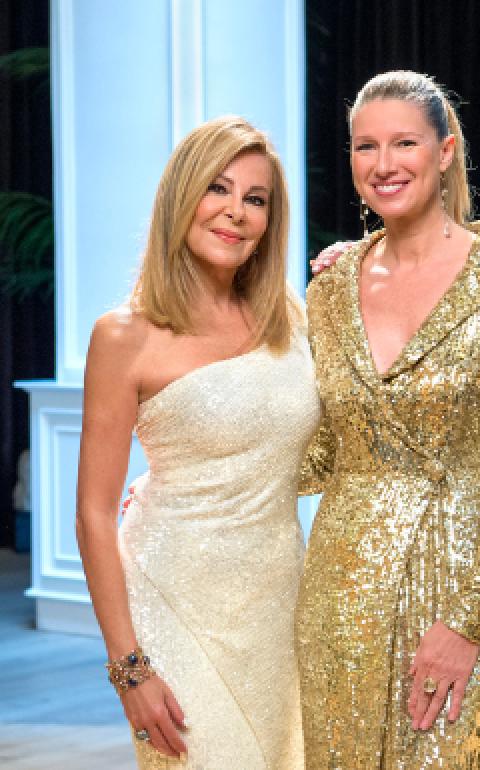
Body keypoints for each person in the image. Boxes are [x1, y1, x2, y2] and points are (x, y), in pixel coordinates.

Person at [295, 71, 480, 769]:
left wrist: (467, 623)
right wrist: (201, 478)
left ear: (444, 152)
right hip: (340, 593)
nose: (383, 165)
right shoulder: (328, 290)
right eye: (365, 147)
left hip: (464, 586)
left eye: (403, 143)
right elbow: (325, 448)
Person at [76, 116, 317, 767]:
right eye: (218, 189)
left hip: (280, 605)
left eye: (256, 198)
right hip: (174, 605)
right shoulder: (124, 335)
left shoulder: (291, 321)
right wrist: (129, 671)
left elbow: (318, 450)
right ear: (182, 195)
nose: (235, 212)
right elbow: (94, 516)